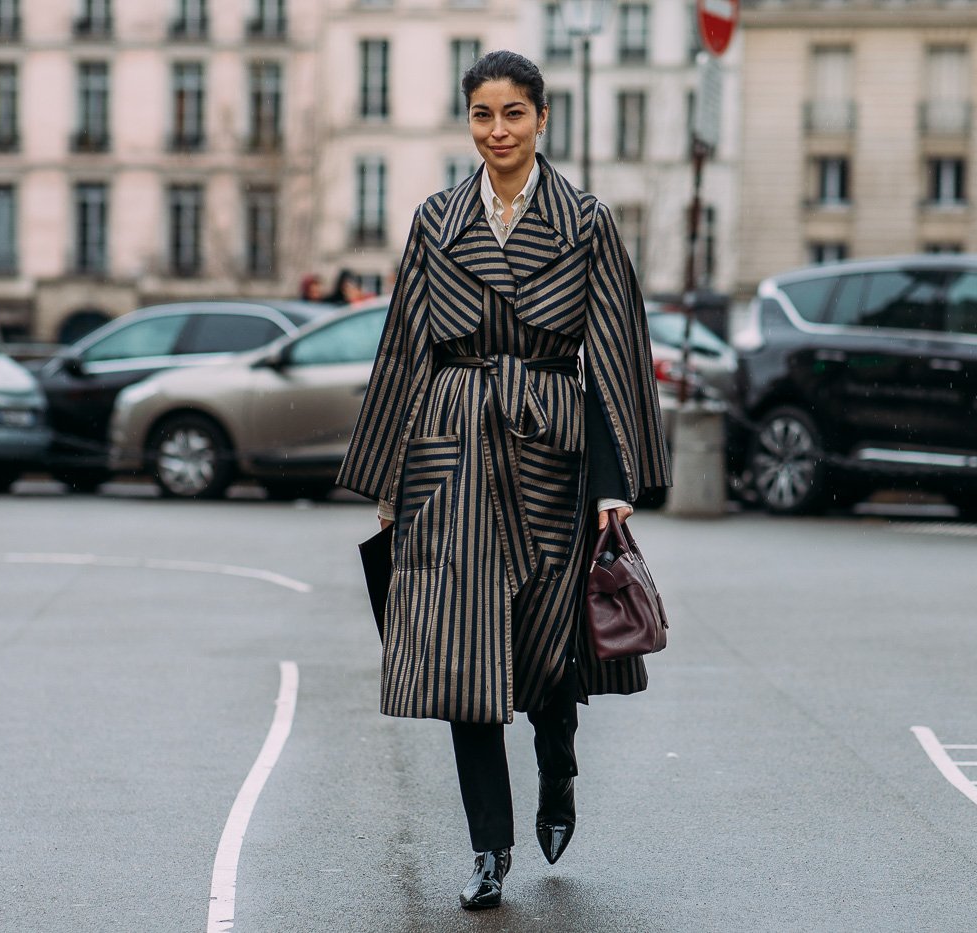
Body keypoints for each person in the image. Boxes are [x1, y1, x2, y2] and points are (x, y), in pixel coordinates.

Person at [336, 50, 671, 911]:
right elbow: (406, 344)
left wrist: (616, 477)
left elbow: (618, 354)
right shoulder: (435, 220)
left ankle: (557, 759)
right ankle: (490, 847)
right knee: (463, 656)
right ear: (469, 121)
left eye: (514, 114)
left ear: (541, 119)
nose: (498, 131)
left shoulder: (587, 221)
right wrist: (388, 477)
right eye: (483, 115)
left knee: (550, 656)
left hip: (552, 447)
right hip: (452, 450)